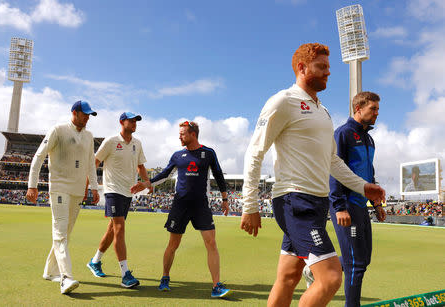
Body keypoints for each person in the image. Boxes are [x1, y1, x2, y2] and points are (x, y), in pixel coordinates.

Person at [240, 43, 386, 307]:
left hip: (318, 204)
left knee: (288, 276)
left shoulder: (323, 110)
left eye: (329, 68)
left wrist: (364, 187)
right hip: (295, 201)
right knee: (330, 278)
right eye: (322, 67)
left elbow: (333, 161)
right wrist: (249, 205)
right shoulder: (283, 101)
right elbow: (254, 152)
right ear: (302, 67)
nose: (328, 73)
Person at [303, 91, 387, 306]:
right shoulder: (343, 133)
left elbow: (369, 172)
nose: (377, 113)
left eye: (377, 109)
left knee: (363, 260)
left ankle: (314, 269)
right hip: (346, 205)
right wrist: (339, 206)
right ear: (358, 108)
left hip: (361, 205)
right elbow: (334, 171)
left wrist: (377, 203)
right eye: (373, 109)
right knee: (355, 264)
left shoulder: (369, 138)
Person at [150, 121, 231, 298]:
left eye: (182, 134)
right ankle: (165, 278)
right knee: (173, 244)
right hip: (180, 204)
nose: (179, 136)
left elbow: (218, 175)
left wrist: (225, 199)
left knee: (211, 243)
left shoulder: (208, 153)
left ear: (193, 134)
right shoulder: (177, 155)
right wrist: (147, 183)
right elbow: (164, 174)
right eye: (179, 134)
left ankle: (216, 285)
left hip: (201, 205)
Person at [26, 100, 100, 294]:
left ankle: (50, 272)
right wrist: (32, 185)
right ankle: (66, 277)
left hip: (77, 191)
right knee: (59, 233)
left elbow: (91, 164)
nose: (87, 118)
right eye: (84, 114)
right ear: (74, 112)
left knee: (64, 235)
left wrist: (94, 188)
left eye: (89, 115)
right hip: (59, 187)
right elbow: (38, 156)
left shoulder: (89, 136)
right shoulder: (58, 130)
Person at [86, 112, 151, 288]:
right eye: (131, 121)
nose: (134, 124)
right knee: (120, 228)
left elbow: (141, 166)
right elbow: (95, 162)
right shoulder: (111, 141)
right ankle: (125, 274)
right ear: (122, 122)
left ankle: (95, 261)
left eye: (136, 121)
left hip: (128, 193)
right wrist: (89, 185)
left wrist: (146, 182)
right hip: (112, 190)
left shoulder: (137, 143)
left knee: (112, 230)